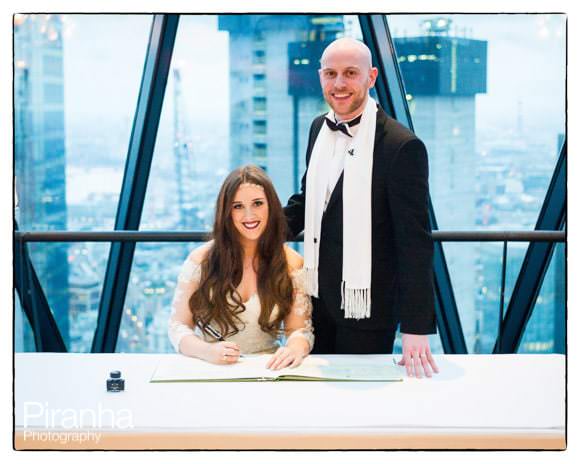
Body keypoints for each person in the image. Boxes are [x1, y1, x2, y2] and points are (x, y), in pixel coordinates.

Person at [284, 37, 439, 378]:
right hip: (316, 299)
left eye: (350, 73)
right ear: (320, 76)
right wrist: (253, 231)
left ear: (371, 77)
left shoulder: (402, 146)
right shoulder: (317, 129)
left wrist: (415, 327)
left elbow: (414, 243)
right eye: (331, 73)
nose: (339, 84)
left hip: (367, 308)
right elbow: (310, 198)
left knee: (358, 408)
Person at [168, 165, 313, 370]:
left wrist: (294, 349)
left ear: (271, 206)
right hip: (211, 368)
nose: (249, 215)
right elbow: (178, 327)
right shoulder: (200, 261)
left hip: (269, 370)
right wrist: (207, 351)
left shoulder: (292, 263)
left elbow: (299, 330)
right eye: (237, 206)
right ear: (226, 212)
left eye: (257, 204)